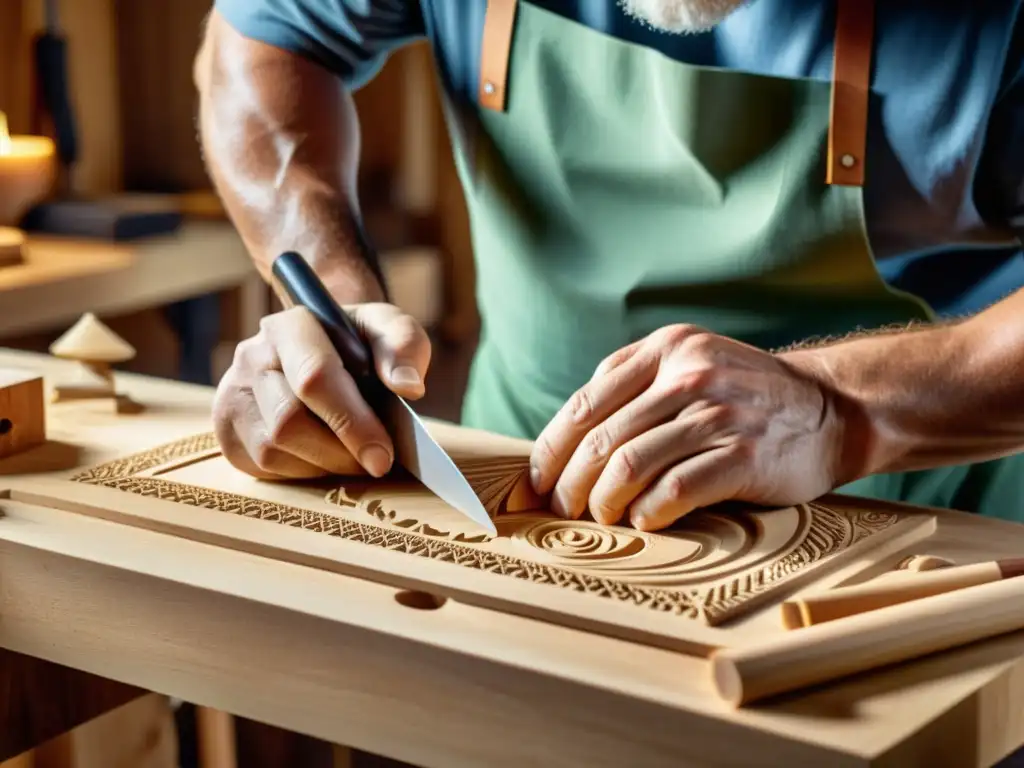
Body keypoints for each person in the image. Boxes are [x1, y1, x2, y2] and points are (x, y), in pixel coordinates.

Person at [194, 0, 1024, 532]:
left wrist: (843, 412)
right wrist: (339, 310)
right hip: (521, 505)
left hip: (926, 543)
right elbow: (256, 49)